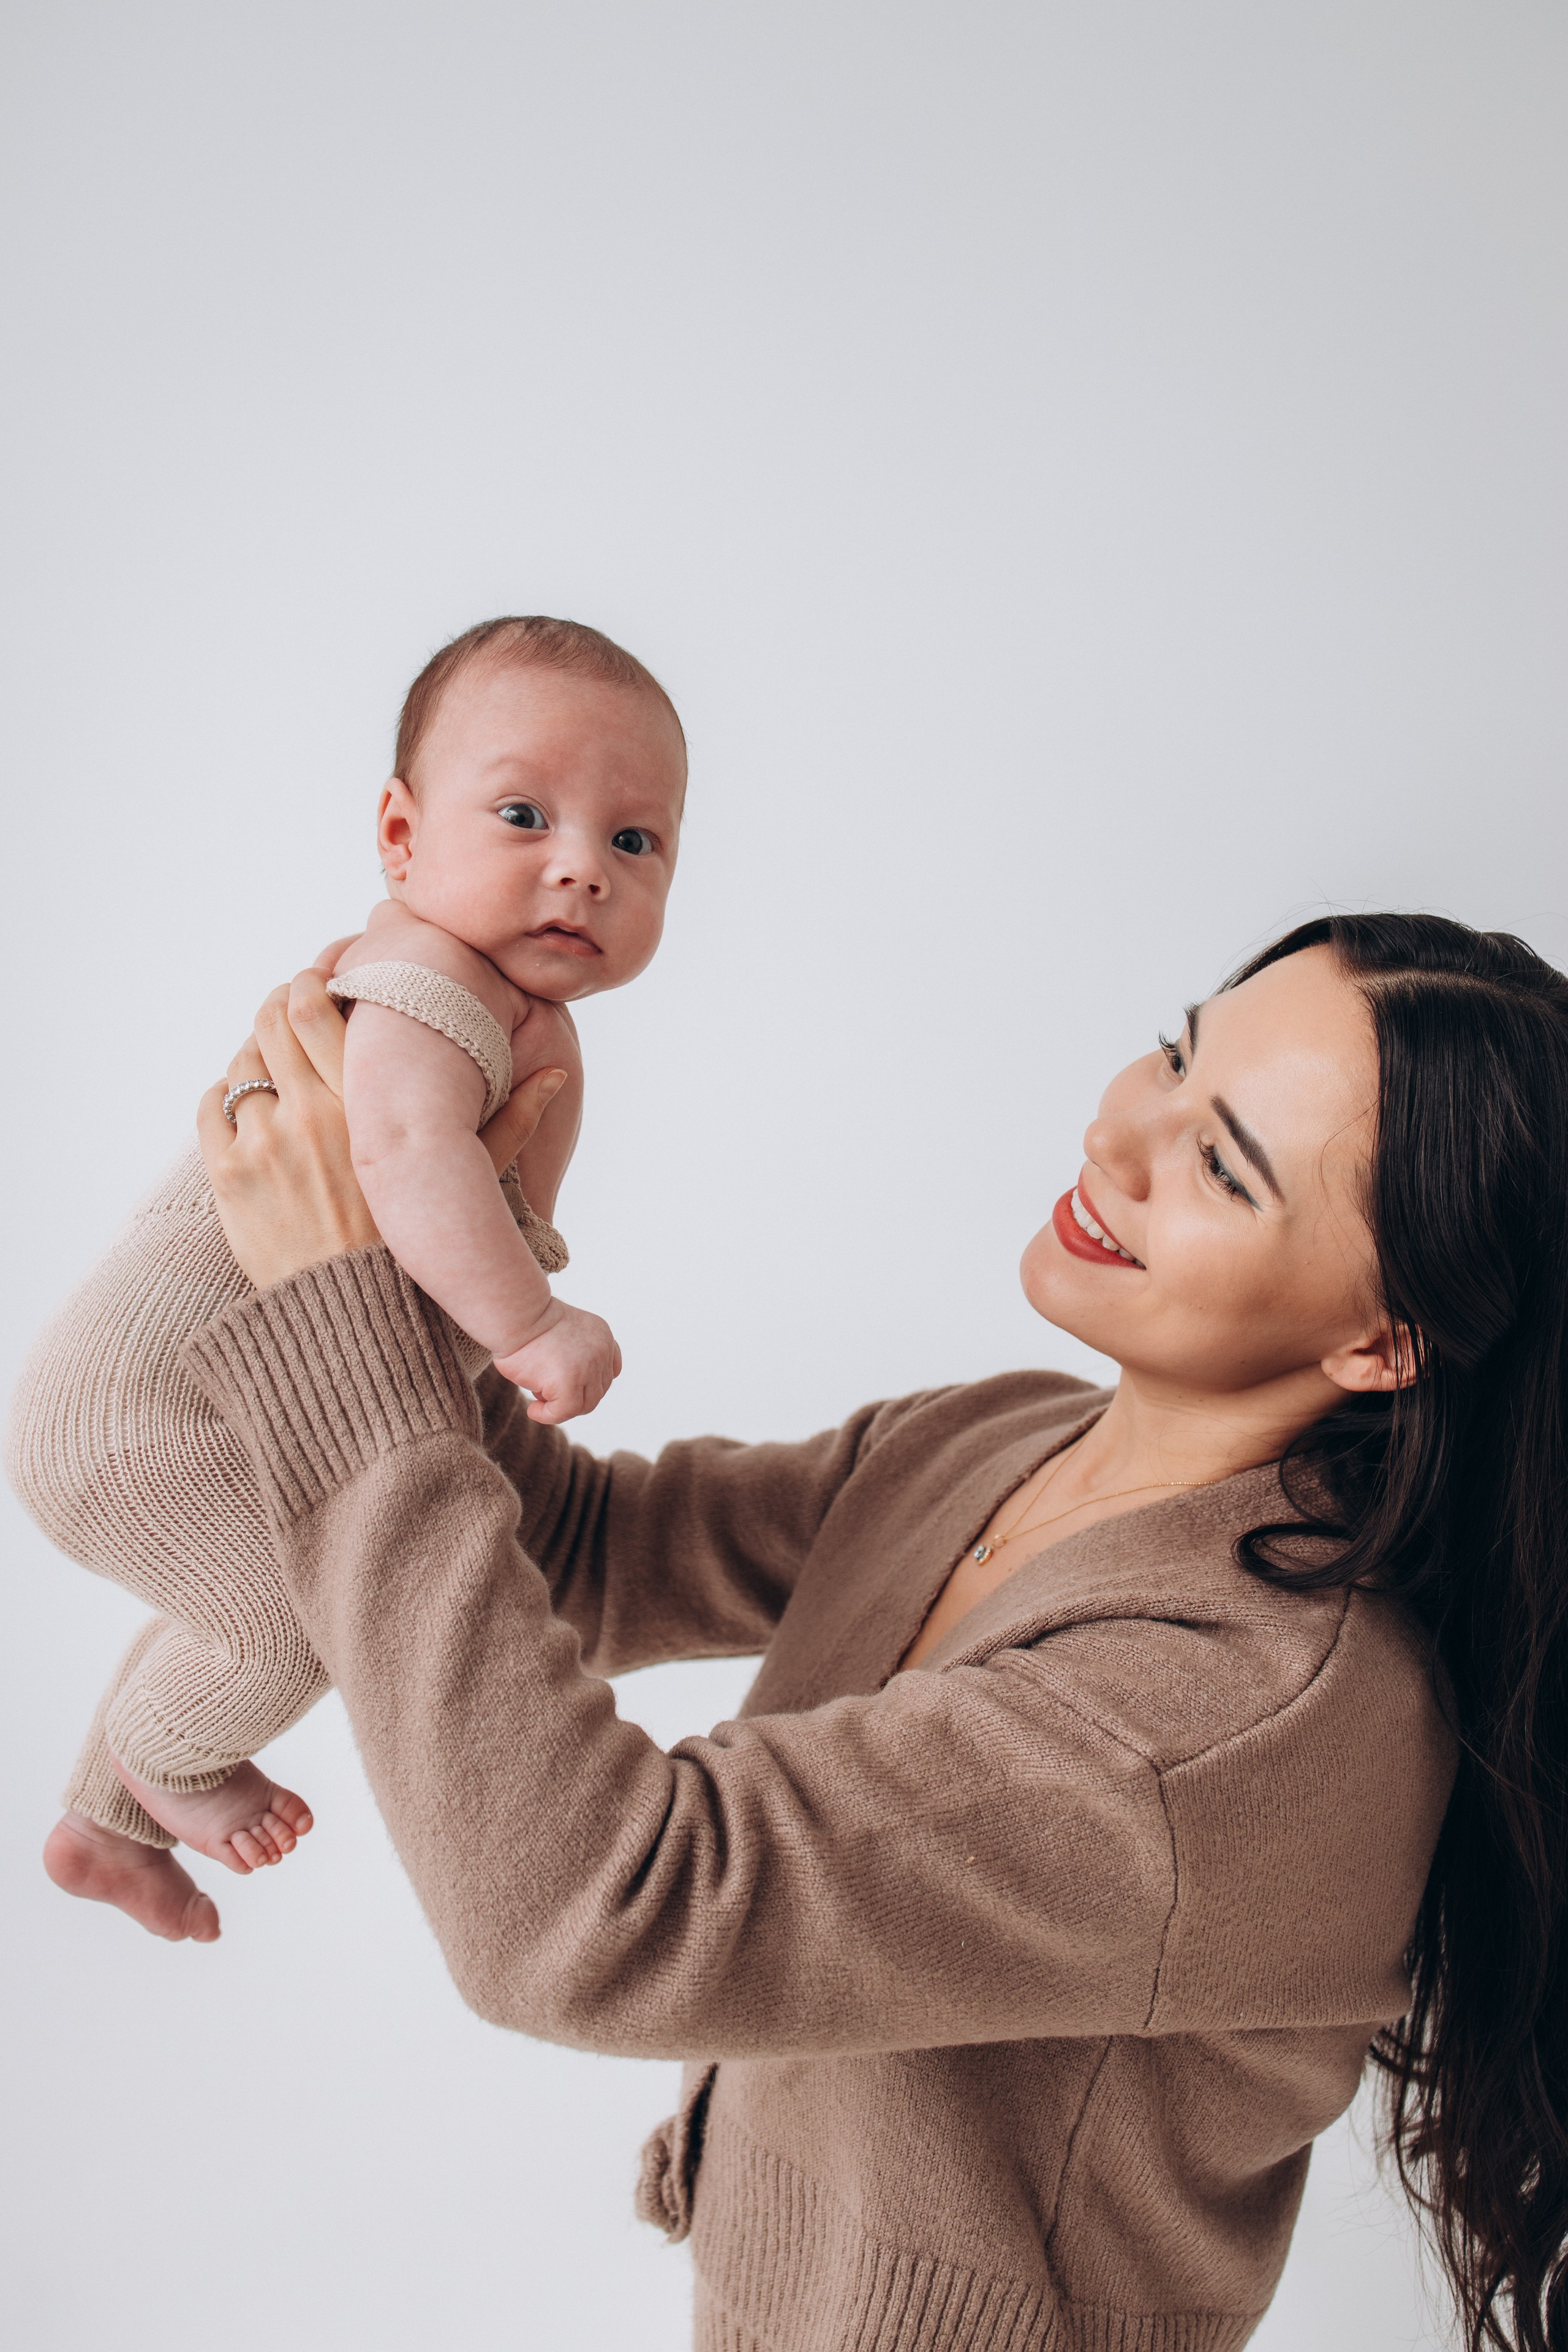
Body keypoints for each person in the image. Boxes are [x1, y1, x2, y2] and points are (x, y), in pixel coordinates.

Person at [52, 911, 1568, 2350]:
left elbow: (596, 1915)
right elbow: (575, 1553)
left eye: (1222, 1164)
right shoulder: (1003, 1440)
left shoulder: (1234, 1708)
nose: (1119, 1136)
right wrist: (427, 1227)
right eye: (1177, 1053)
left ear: (1381, 1340)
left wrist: (341, 1317)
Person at [4, 614, 687, 1937]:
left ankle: (101, 1828)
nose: (582, 869)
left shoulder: (504, 1002)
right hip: (145, 1408)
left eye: (633, 841)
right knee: (313, 1602)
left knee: (243, 1590)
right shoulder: (427, 980)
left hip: (200, 1408)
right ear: (401, 836)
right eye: (524, 816)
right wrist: (530, 1320)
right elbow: (402, 1152)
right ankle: (168, 1762)